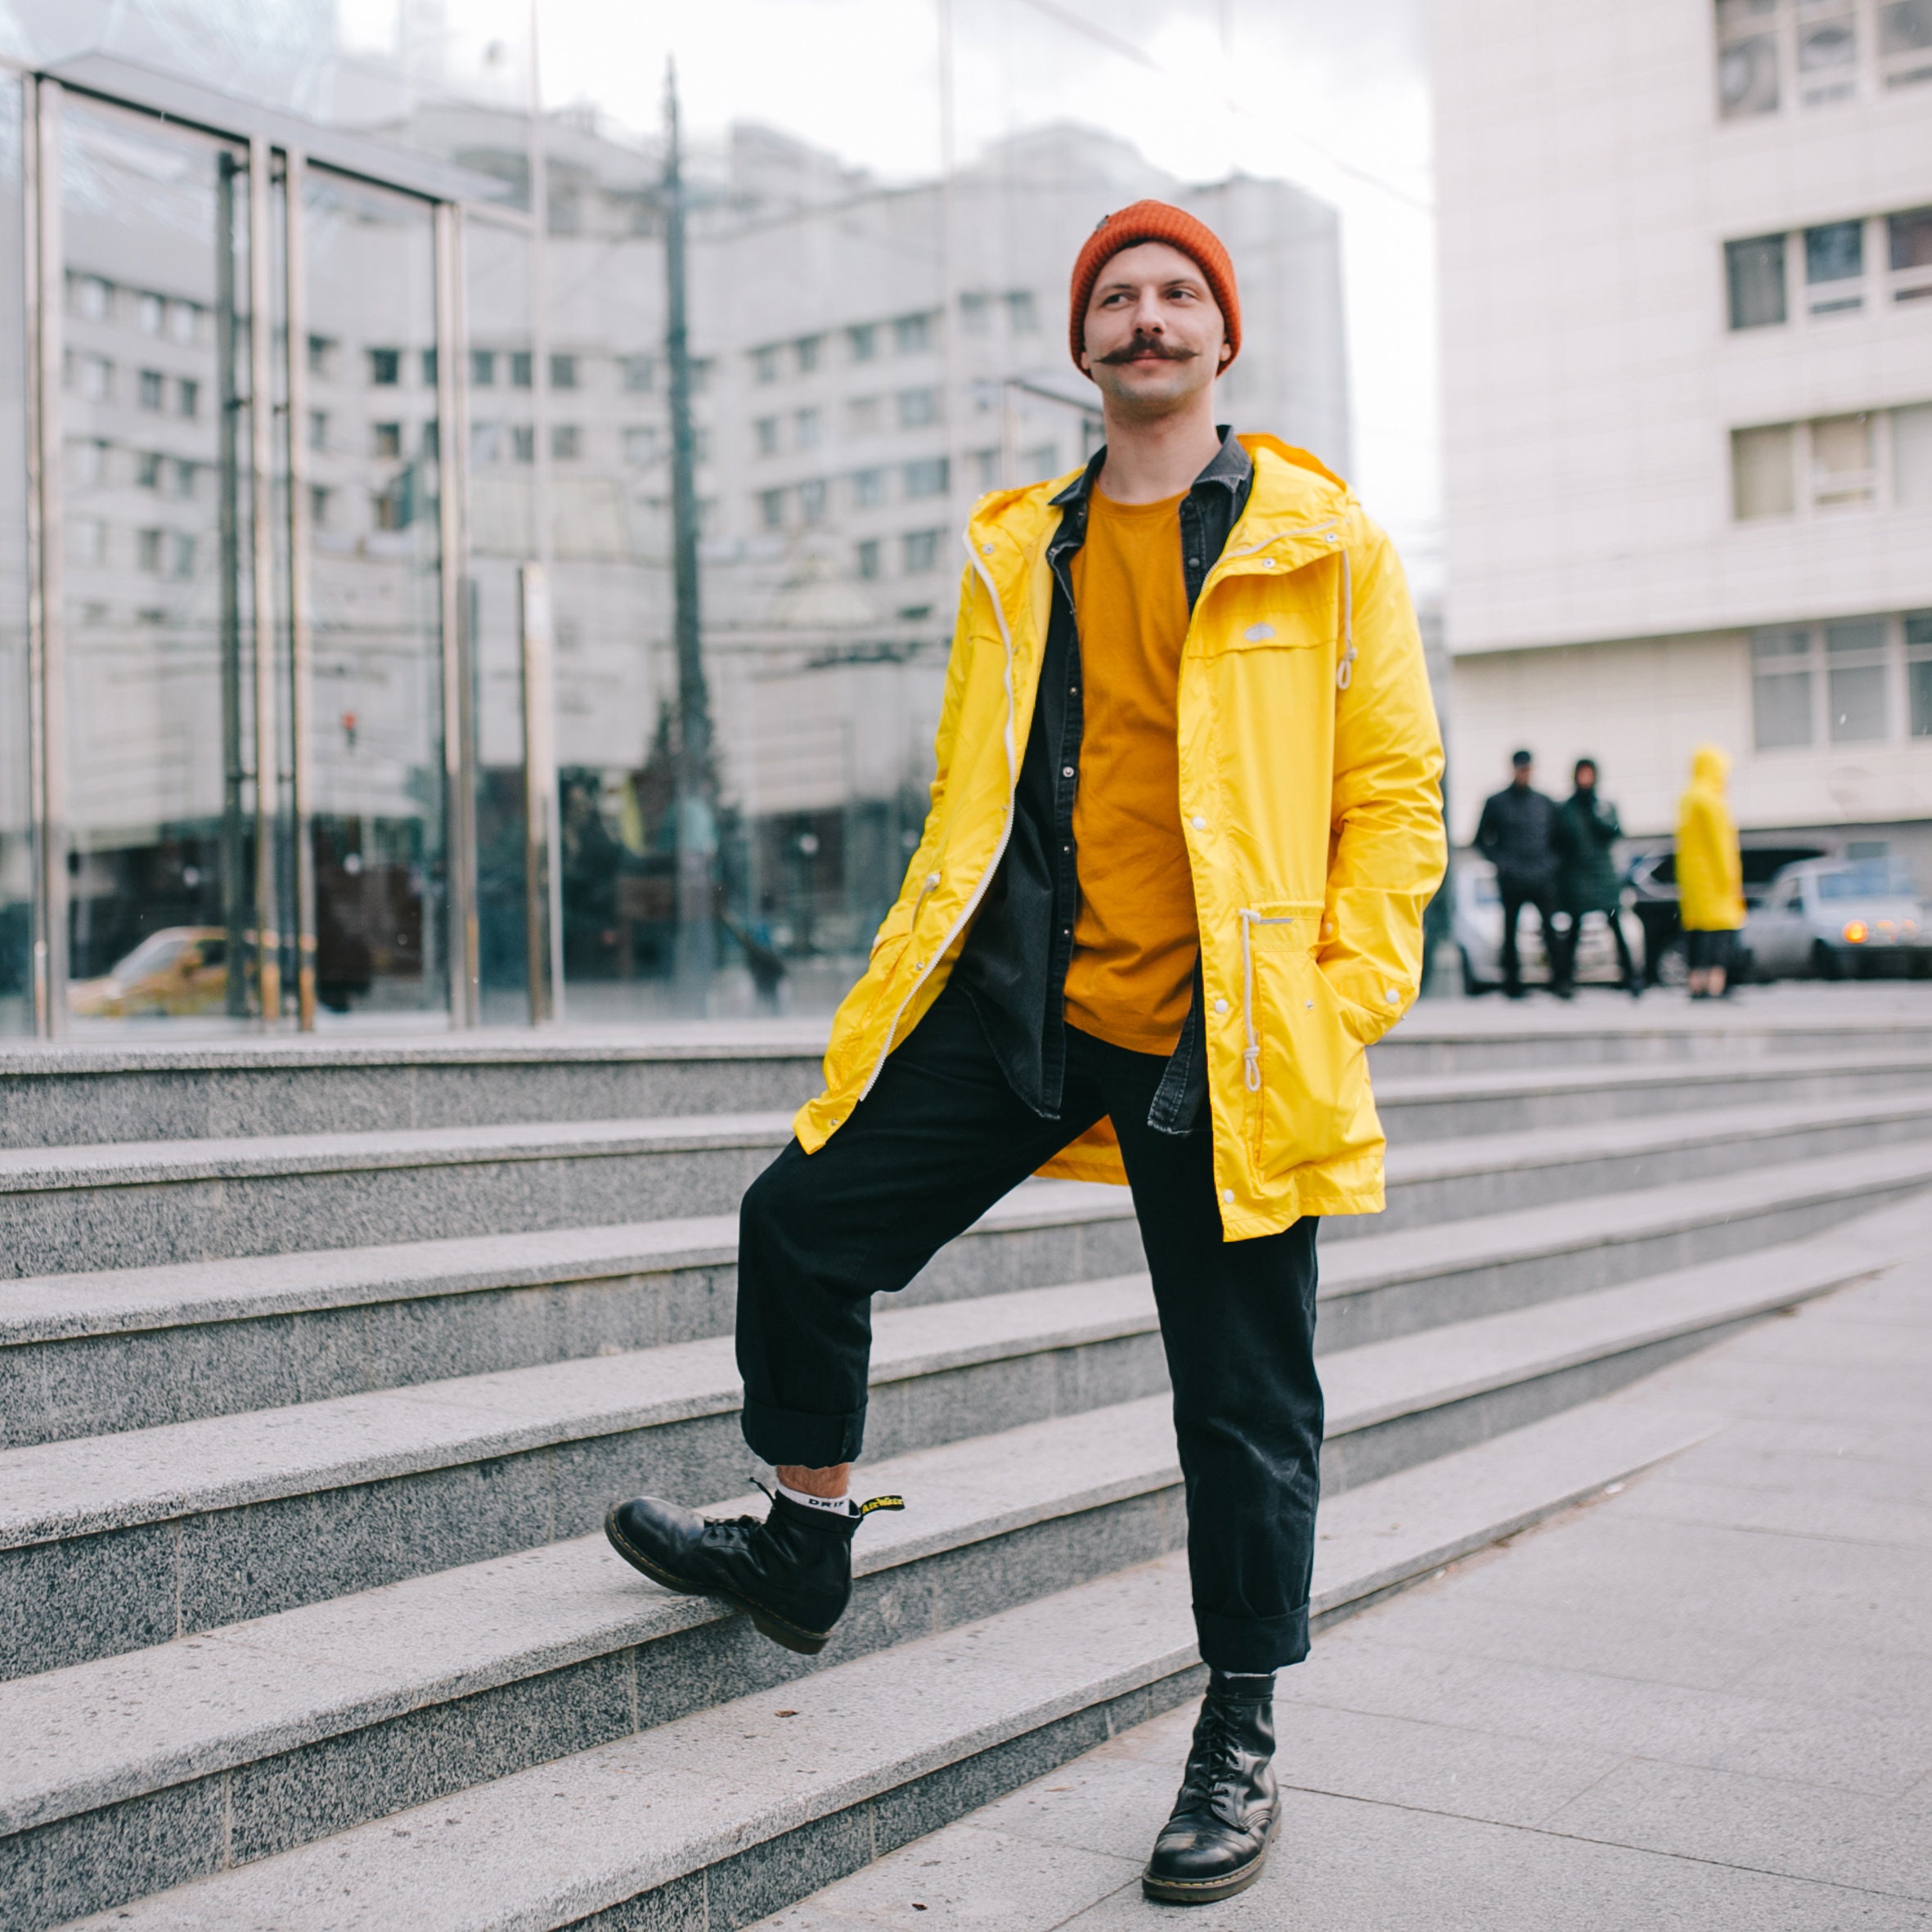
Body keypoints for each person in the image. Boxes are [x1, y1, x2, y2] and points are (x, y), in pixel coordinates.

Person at [604, 201, 1445, 1907]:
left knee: (1242, 1399)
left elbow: (1394, 796)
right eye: (1115, 298)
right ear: (1083, 343)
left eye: (1174, 294)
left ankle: (1238, 1730)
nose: (1144, 318)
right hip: (1023, 1012)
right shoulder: (1017, 548)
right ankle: (803, 1538)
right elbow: (971, 792)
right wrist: (914, 970)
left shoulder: (1319, 536)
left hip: (1221, 1037)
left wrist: (1331, 995)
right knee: (802, 1221)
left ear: (1222, 335)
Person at [1475, 750, 1562, 998]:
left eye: (1527, 768)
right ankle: (1513, 986)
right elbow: (1481, 840)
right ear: (1513, 769)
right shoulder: (1496, 802)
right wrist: (1502, 864)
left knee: (1550, 930)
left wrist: (1549, 865)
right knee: (1510, 932)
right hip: (1512, 879)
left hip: (1541, 877)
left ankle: (1558, 982)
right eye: (1520, 768)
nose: (1523, 773)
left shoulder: (1544, 802)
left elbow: (1559, 841)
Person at [1554, 758, 1639, 996]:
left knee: (1615, 924)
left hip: (1602, 876)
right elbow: (1560, 841)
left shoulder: (1603, 806)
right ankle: (1565, 980)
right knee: (1574, 929)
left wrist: (1595, 814)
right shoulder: (1566, 809)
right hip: (1577, 877)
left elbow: (1614, 832)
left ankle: (1631, 977)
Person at [1677, 744, 1743, 998]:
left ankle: (1696, 984)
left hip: (1692, 882)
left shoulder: (1687, 798)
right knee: (1719, 934)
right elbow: (1721, 844)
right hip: (1715, 881)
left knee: (1697, 933)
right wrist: (1731, 877)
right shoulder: (1712, 801)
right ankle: (1717, 985)